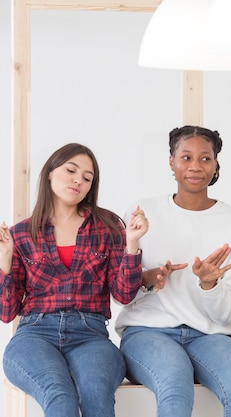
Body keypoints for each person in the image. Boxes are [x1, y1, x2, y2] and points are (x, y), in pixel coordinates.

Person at [115, 125, 231, 417]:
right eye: (186, 157)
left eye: (205, 158)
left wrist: (210, 285)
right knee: (174, 385)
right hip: (149, 330)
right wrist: (146, 278)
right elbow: (120, 294)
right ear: (171, 161)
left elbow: (228, 314)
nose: (195, 166)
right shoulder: (140, 213)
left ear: (216, 163)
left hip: (212, 335)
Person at [0, 143, 148, 417]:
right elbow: (7, 313)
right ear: (49, 173)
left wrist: (132, 246)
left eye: (87, 177)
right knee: (59, 393)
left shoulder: (109, 226)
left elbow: (124, 295)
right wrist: (4, 263)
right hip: (34, 334)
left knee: (96, 393)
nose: (78, 180)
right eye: (71, 170)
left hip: (90, 334)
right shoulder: (20, 234)